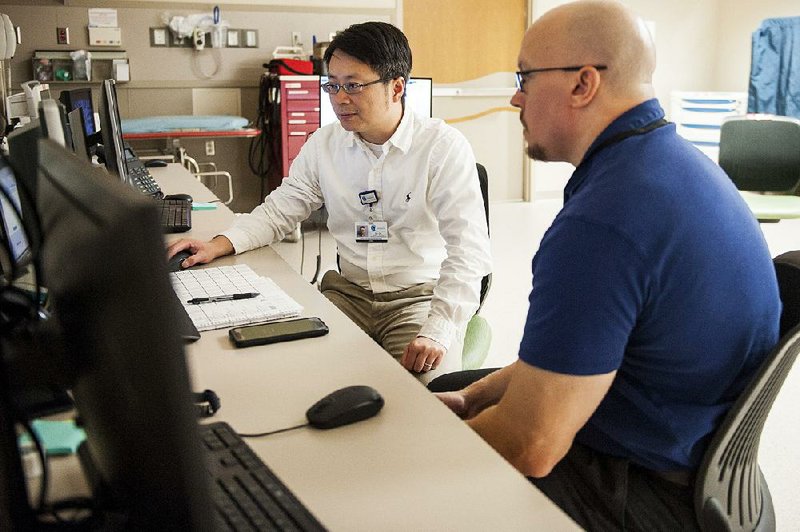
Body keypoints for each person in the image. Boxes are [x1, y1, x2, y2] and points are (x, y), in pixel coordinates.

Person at [432, 1, 781, 530]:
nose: (514, 96)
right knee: (454, 388)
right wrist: (472, 398)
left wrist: (417, 442)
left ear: (583, 84)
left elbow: (533, 447)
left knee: (416, 462)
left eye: (525, 77)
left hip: (646, 489)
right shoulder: (671, 164)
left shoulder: (606, 221)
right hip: (694, 450)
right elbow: (578, 349)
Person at [167, 21, 491, 382]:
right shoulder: (324, 146)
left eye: (353, 85)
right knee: (302, 382)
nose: (339, 98)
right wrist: (219, 244)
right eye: (332, 85)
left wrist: (439, 326)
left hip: (418, 299)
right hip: (347, 294)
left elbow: (469, 250)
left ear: (396, 87)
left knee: (429, 397)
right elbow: (280, 209)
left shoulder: (442, 148)